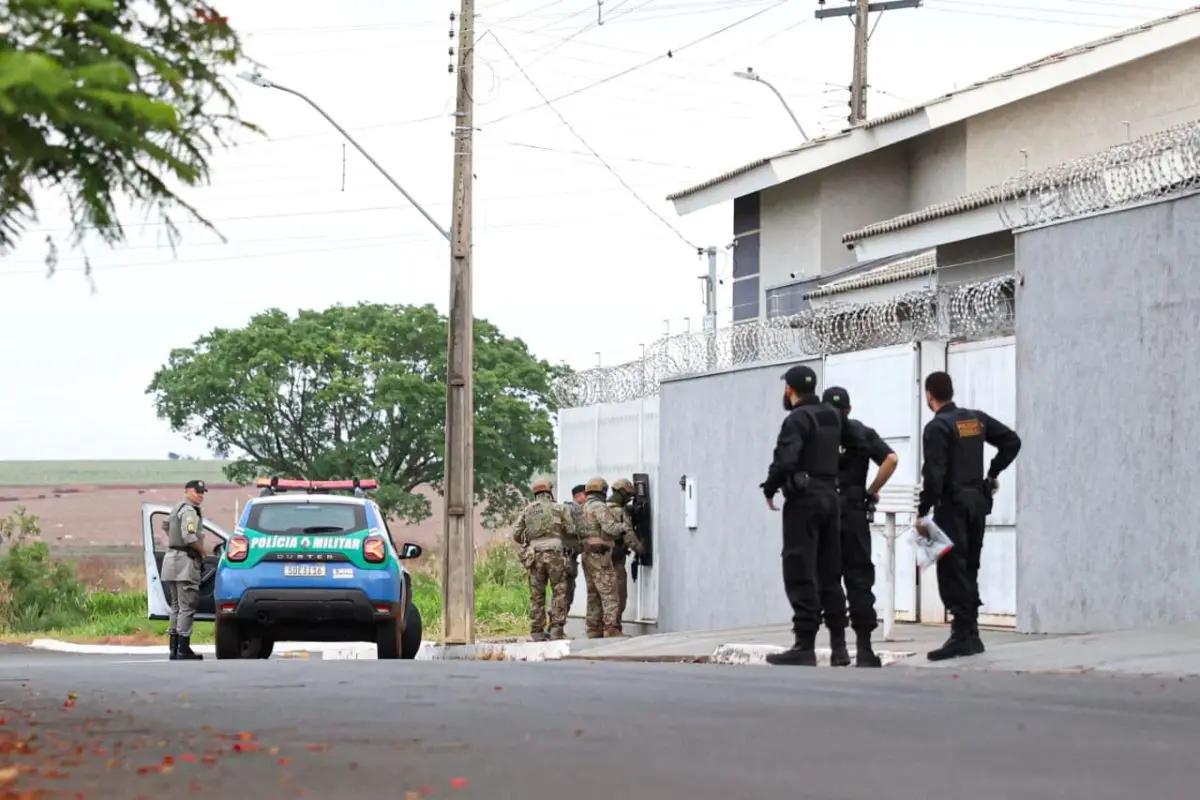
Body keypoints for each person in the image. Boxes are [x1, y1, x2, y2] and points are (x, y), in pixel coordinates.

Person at [760, 365, 866, 667]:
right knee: (830, 572)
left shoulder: (797, 419)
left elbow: (785, 460)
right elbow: (859, 441)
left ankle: (804, 644)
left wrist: (770, 488)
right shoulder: (832, 415)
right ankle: (839, 647)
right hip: (831, 499)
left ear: (790, 390)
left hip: (804, 501)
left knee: (799, 568)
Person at [916, 371, 1021, 662]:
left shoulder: (937, 427)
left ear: (929, 395)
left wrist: (923, 511)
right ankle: (971, 633)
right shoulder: (975, 419)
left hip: (952, 505)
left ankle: (962, 634)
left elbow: (934, 473)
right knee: (969, 565)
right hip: (977, 502)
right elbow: (1011, 441)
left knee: (951, 567)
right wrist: (992, 473)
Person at [822, 387, 898, 668]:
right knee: (859, 580)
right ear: (849, 409)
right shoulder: (862, 432)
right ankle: (865, 650)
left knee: (830, 580)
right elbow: (891, 459)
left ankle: (838, 648)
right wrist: (871, 490)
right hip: (854, 512)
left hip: (826, 512)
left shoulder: (815, 435)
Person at [511, 479, 575, 641]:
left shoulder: (527, 510)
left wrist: (531, 540)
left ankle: (536, 632)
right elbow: (571, 530)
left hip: (534, 555)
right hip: (555, 554)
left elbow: (516, 534)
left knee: (537, 595)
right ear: (549, 491)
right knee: (559, 591)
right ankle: (556, 631)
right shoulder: (559, 508)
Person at [578, 477, 639, 638]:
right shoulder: (599, 507)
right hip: (600, 554)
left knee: (593, 595)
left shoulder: (583, 507)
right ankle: (611, 628)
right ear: (603, 491)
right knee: (610, 593)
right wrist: (624, 528)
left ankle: (593, 629)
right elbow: (610, 528)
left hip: (586, 554)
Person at [162, 479, 208, 661]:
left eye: (202, 492)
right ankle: (183, 649)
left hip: (171, 559)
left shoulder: (176, 508)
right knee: (187, 606)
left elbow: (165, 525)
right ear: (188, 491)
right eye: (197, 492)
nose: (201, 495)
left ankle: (173, 649)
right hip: (185, 563)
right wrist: (202, 551)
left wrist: (175, 540)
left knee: (175, 606)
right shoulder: (189, 511)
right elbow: (189, 535)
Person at [606, 477, 642, 634]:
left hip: (599, 560)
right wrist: (641, 549)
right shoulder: (619, 512)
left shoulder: (601, 509)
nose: (629, 500)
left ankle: (601, 628)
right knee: (619, 595)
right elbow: (628, 535)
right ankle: (613, 628)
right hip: (616, 560)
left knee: (601, 596)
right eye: (628, 496)